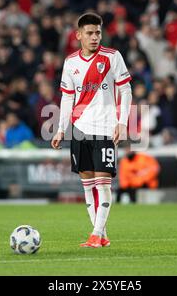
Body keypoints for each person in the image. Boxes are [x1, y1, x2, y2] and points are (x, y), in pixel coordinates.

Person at [51, 13, 132, 248]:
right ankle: (101, 235)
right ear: (78, 35)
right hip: (79, 128)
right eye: (89, 33)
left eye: (98, 32)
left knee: (103, 182)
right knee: (87, 183)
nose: (95, 37)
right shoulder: (70, 62)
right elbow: (67, 98)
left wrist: (123, 122)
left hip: (106, 128)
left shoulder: (112, 57)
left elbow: (125, 91)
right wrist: (60, 129)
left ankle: (96, 234)